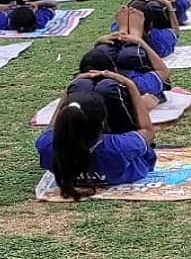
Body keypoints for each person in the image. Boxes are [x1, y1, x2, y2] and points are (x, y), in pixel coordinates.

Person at [36, 70, 157, 200]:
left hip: (82, 161)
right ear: (103, 121)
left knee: (82, 86)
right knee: (107, 88)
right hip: (122, 166)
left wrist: (69, 90)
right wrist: (131, 85)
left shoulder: (46, 145)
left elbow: (52, 130)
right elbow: (148, 132)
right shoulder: (119, 146)